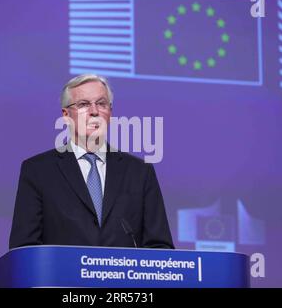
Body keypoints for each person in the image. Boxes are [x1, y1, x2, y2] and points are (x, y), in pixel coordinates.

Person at [9, 74, 174, 249]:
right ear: (66, 115)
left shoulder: (140, 172)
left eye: (101, 103)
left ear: (110, 112)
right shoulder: (38, 171)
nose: (94, 111)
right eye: (83, 104)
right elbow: (24, 248)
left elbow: (160, 248)